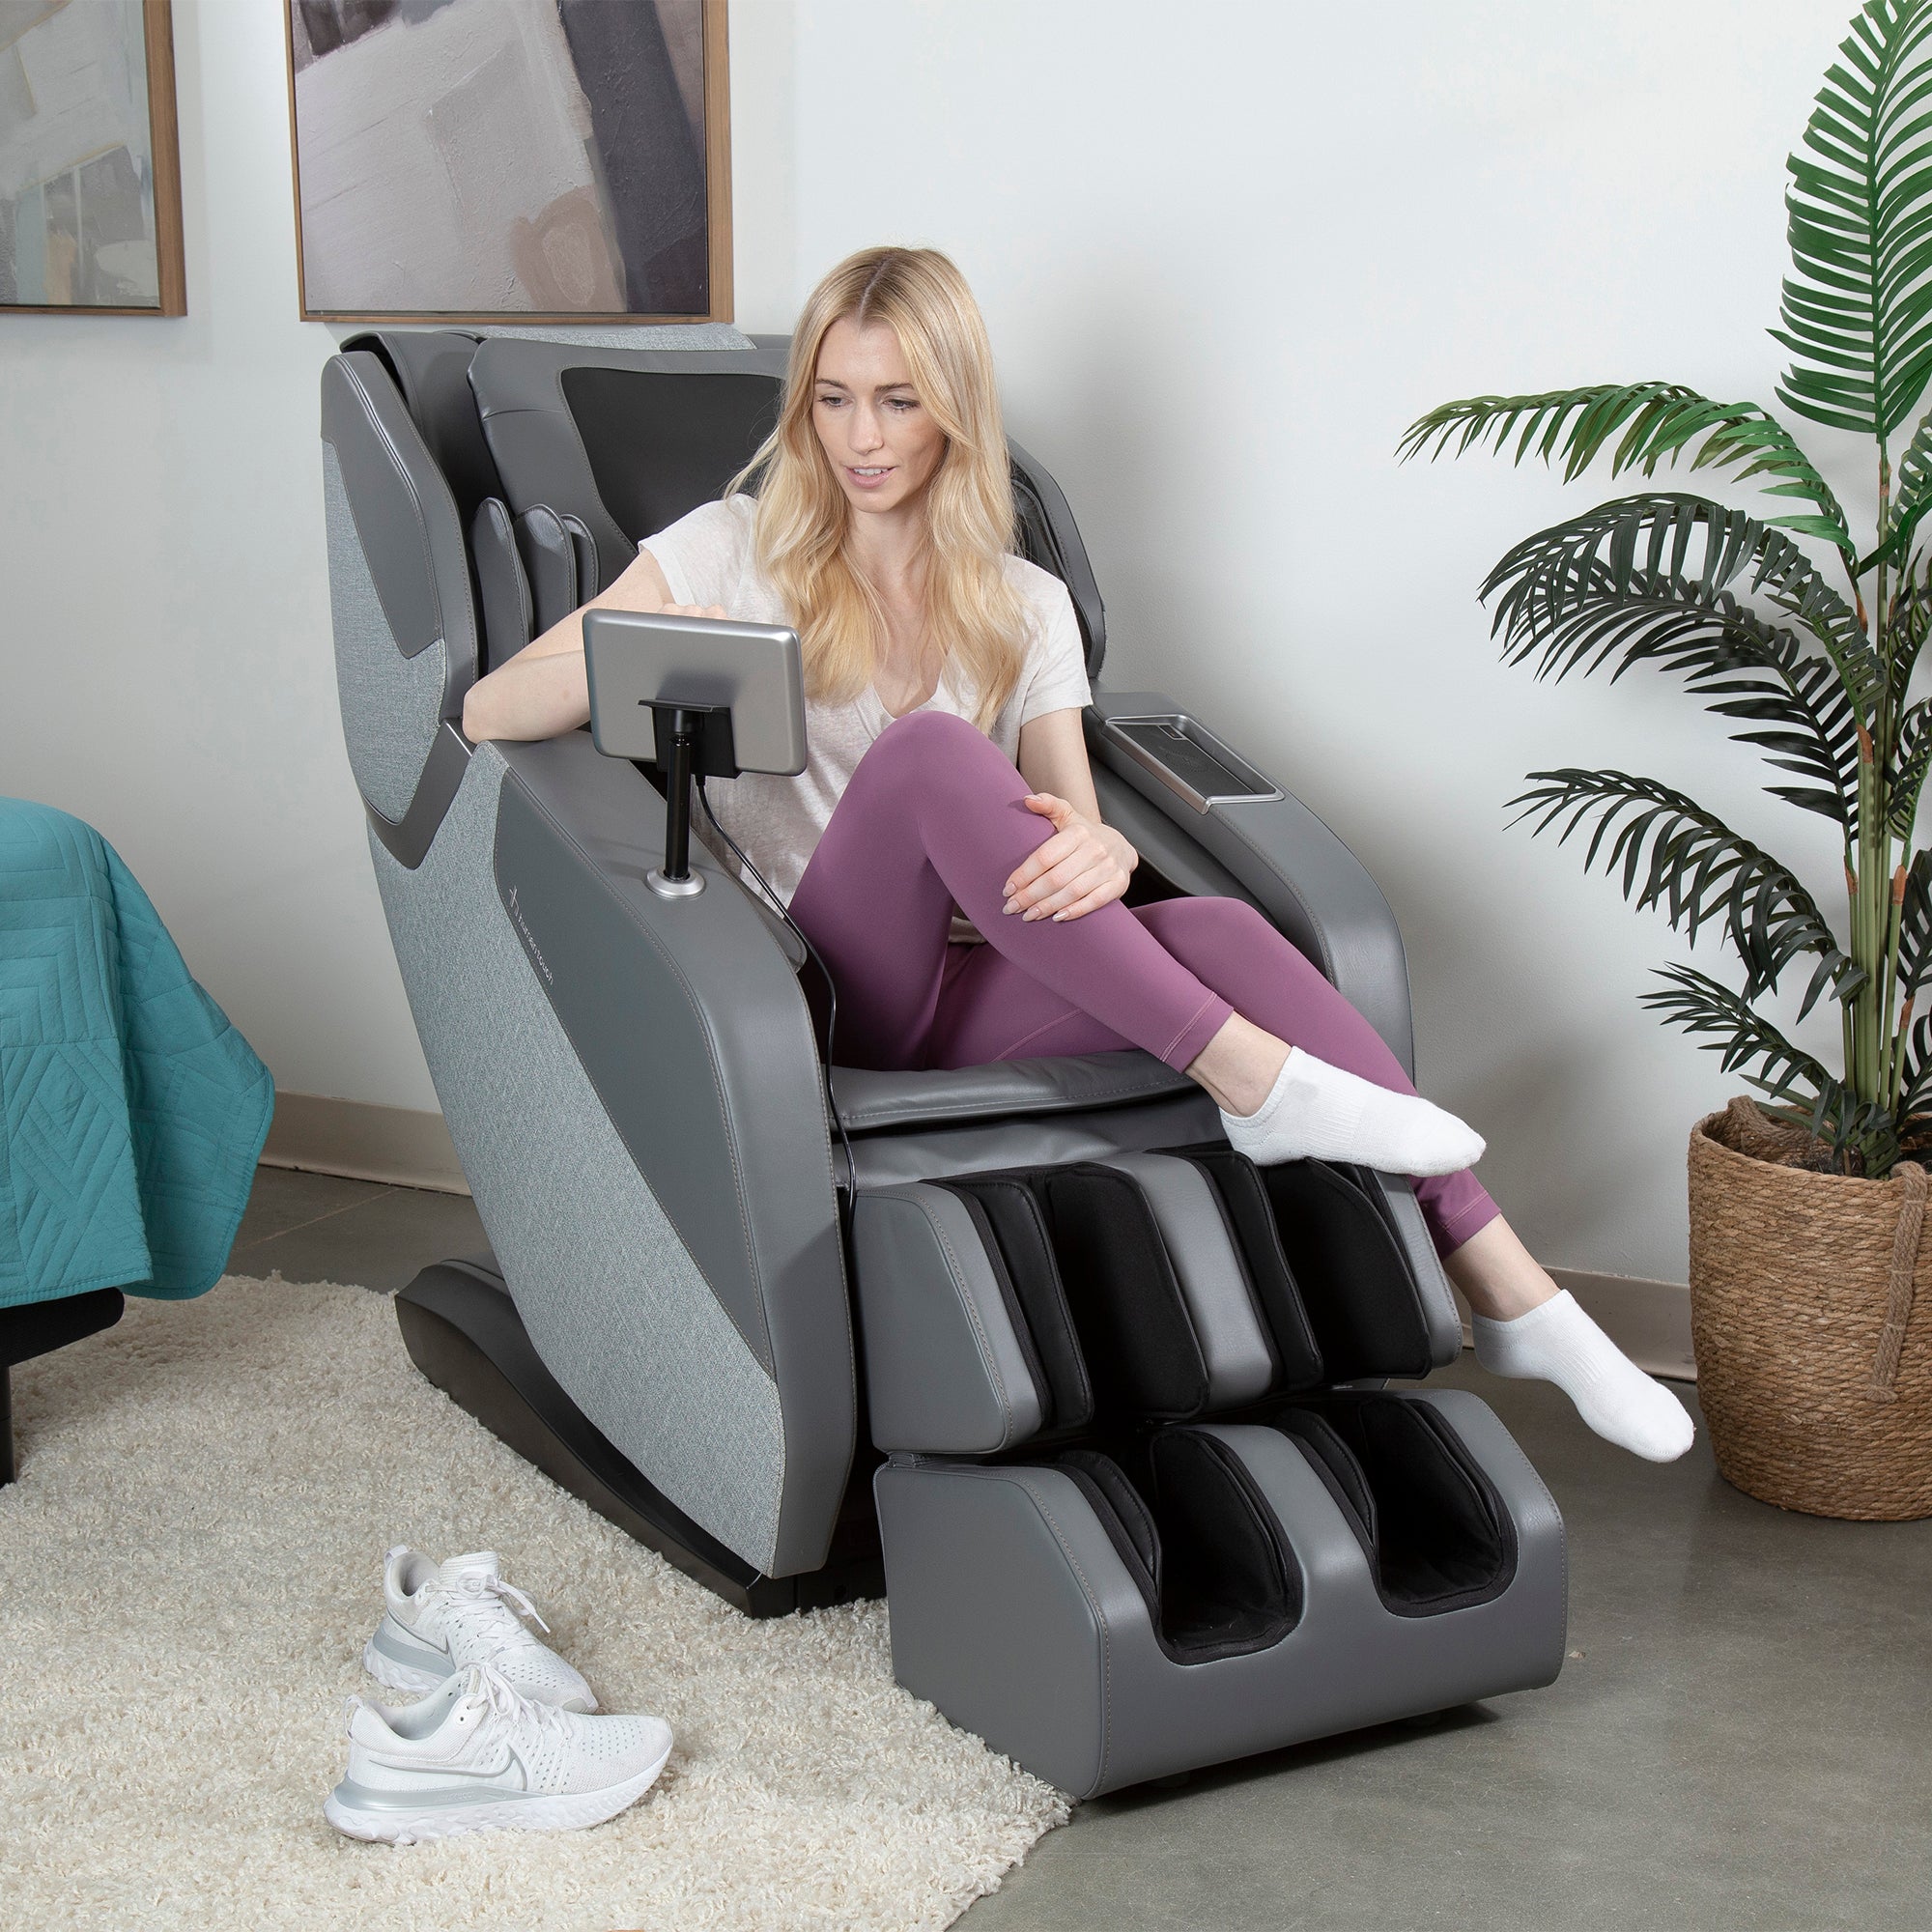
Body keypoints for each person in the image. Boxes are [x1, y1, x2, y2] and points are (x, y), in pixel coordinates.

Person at [463, 244, 1694, 1463]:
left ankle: (1517, 1294)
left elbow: (1067, 817)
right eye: (832, 400)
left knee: (1218, 928)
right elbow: (488, 706)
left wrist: (1100, 848)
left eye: (896, 401)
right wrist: (654, 646)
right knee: (932, 752)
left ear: (954, 408)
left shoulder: (1020, 599)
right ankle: (1255, 1081)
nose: (861, 437)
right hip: (813, 989)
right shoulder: (727, 552)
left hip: (966, 985)